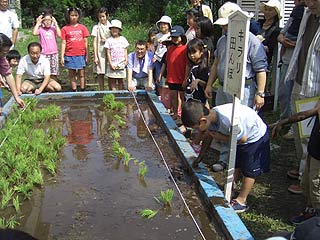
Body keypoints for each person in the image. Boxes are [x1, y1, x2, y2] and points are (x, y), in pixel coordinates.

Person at [204, 2, 268, 172]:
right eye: (223, 26)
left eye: (226, 25)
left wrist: (260, 93)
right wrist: (210, 84)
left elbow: (261, 69)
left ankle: (239, 164)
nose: (224, 29)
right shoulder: (222, 41)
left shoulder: (252, 42)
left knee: (239, 126)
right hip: (225, 86)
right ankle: (225, 158)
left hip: (244, 90)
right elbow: (216, 63)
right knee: (223, 123)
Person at [181, 100, 270, 213]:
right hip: (239, 137)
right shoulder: (211, 117)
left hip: (254, 138)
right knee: (235, 163)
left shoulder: (228, 121)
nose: (197, 131)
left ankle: (242, 200)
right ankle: (231, 189)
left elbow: (243, 139)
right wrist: (200, 157)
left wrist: (221, 137)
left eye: (196, 128)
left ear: (203, 120)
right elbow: (209, 135)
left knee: (249, 170)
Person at [283, 0, 320, 195]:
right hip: (300, 80)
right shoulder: (306, 14)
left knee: (309, 139)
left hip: (315, 90)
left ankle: (305, 182)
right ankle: (301, 170)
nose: (310, 3)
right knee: (299, 134)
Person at [272, 100, 320, 224]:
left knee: (316, 188)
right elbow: (304, 114)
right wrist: (284, 121)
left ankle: (316, 222)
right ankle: (310, 211)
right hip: (314, 152)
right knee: (306, 184)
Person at [158, 25, 188, 120]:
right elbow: (167, 63)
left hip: (181, 78)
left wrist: (186, 78)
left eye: (177, 37)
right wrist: (165, 76)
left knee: (183, 98)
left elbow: (187, 65)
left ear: (182, 37)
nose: (175, 39)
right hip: (172, 78)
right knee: (173, 97)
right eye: (173, 37)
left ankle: (183, 115)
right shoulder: (170, 49)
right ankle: (175, 113)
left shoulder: (185, 49)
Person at [61, 7, 90, 91]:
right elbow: (63, 43)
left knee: (81, 73)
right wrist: (62, 56)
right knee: (72, 74)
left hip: (81, 54)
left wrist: (87, 55)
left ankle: (82, 89)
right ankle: (74, 90)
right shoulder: (65, 29)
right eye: (72, 15)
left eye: (75, 15)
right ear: (68, 16)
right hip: (69, 54)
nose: (73, 17)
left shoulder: (82, 28)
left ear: (78, 16)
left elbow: (86, 42)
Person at [32, 8, 61, 82]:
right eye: (45, 20)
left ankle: (54, 85)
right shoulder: (41, 29)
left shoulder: (53, 28)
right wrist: (38, 22)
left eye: (49, 20)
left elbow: (60, 35)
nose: (47, 22)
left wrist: (55, 23)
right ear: (43, 21)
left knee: (54, 72)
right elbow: (34, 33)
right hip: (44, 54)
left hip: (54, 53)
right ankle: (45, 86)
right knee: (45, 71)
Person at [0, 33, 24, 110]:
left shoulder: (2, 58)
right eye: (4, 52)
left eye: (7, 52)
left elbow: (8, 75)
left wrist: (16, 97)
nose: (6, 54)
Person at [279, 0, 305, 66]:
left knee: (284, 48)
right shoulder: (299, 9)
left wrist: (295, 44)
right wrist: (282, 39)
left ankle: (280, 60)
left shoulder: (308, 13)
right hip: (292, 34)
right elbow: (281, 34)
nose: (294, 2)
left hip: (293, 34)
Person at [104, 19, 129, 90]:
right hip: (113, 63)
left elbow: (125, 50)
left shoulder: (123, 39)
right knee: (112, 80)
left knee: (121, 80)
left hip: (121, 63)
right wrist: (111, 64)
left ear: (119, 30)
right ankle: (113, 93)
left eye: (116, 29)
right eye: (113, 29)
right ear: (110, 30)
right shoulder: (109, 40)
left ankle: (120, 94)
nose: (114, 30)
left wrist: (126, 59)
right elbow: (108, 52)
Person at [257, 0, 282, 67]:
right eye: (266, 9)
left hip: (263, 62)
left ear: (276, 13)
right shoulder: (259, 23)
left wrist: (256, 43)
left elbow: (269, 49)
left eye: (270, 10)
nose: (267, 12)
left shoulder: (276, 30)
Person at [91, 7, 111, 90]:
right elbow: (94, 42)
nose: (102, 18)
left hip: (110, 52)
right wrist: (95, 56)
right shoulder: (96, 27)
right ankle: (101, 90)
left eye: (103, 16)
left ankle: (111, 89)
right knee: (100, 72)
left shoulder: (111, 26)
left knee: (111, 72)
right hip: (100, 52)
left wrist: (106, 39)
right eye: (100, 17)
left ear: (107, 16)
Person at [153, 15, 172, 96]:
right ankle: (160, 95)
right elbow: (156, 47)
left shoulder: (171, 35)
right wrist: (155, 56)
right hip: (158, 59)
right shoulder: (157, 36)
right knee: (158, 77)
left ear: (169, 26)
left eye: (165, 24)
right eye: (161, 24)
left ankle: (168, 96)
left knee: (168, 77)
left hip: (168, 60)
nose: (162, 25)